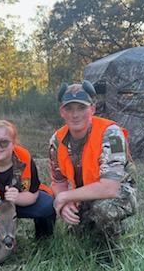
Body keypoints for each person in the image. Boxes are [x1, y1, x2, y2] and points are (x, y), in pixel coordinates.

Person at [49, 81, 137, 239]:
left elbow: (110, 188)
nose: (75, 115)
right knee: (77, 233)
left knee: (103, 210)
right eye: (69, 108)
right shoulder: (57, 140)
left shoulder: (111, 134)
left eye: (81, 108)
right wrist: (65, 204)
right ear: (62, 112)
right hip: (83, 195)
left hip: (117, 194)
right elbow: (58, 182)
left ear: (92, 109)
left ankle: (111, 253)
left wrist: (64, 197)